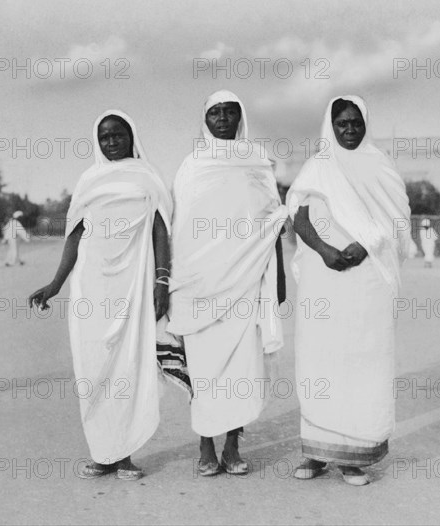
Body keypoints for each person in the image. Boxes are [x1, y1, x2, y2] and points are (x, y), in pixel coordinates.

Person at [29, 110, 172, 480]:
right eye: (105, 136)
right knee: (92, 366)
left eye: (118, 135)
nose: (111, 142)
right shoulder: (89, 179)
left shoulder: (148, 176)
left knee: (128, 366)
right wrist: (56, 284)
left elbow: (160, 229)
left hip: (133, 285)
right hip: (91, 285)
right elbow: (75, 236)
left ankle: (124, 455)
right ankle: (102, 453)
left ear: (131, 136)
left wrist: (161, 280)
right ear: (98, 140)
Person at [287, 95, 411, 486]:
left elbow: (398, 220)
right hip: (323, 280)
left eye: (356, 122)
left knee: (362, 362)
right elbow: (299, 216)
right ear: (331, 124)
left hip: (367, 282)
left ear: (365, 123)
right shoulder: (317, 167)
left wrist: (365, 245)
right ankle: (315, 453)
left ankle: (354, 458)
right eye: (342, 123)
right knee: (319, 361)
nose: (350, 129)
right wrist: (324, 251)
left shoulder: (380, 166)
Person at [167, 90, 288, 476]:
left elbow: (273, 222)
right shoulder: (191, 166)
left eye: (229, 112)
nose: (222, 118)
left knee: (240, 369)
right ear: (205, 119)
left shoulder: (257, 162)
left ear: (241, 117)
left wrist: (279, 277)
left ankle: (233, 446)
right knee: (202, 369)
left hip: (245, 281)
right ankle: (205, 444)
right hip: (197, 283)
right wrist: (170, 280)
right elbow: (178, 228)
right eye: (215, 112)